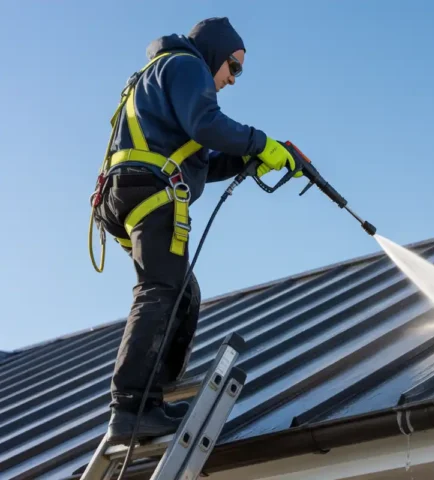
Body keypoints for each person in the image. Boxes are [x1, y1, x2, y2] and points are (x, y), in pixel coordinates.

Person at [92, 17, 300, 444]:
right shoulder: (188, 66)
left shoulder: (159, 74)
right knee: (161, 291)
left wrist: (250, 159)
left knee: (182, 291)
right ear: (215, 52)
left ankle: (155, 393)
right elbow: (208, 125)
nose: (232, 79)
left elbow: (201, 156)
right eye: (233, 67)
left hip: (129, 190)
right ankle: (132, 407)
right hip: (152, 189)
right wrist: (260, 142)